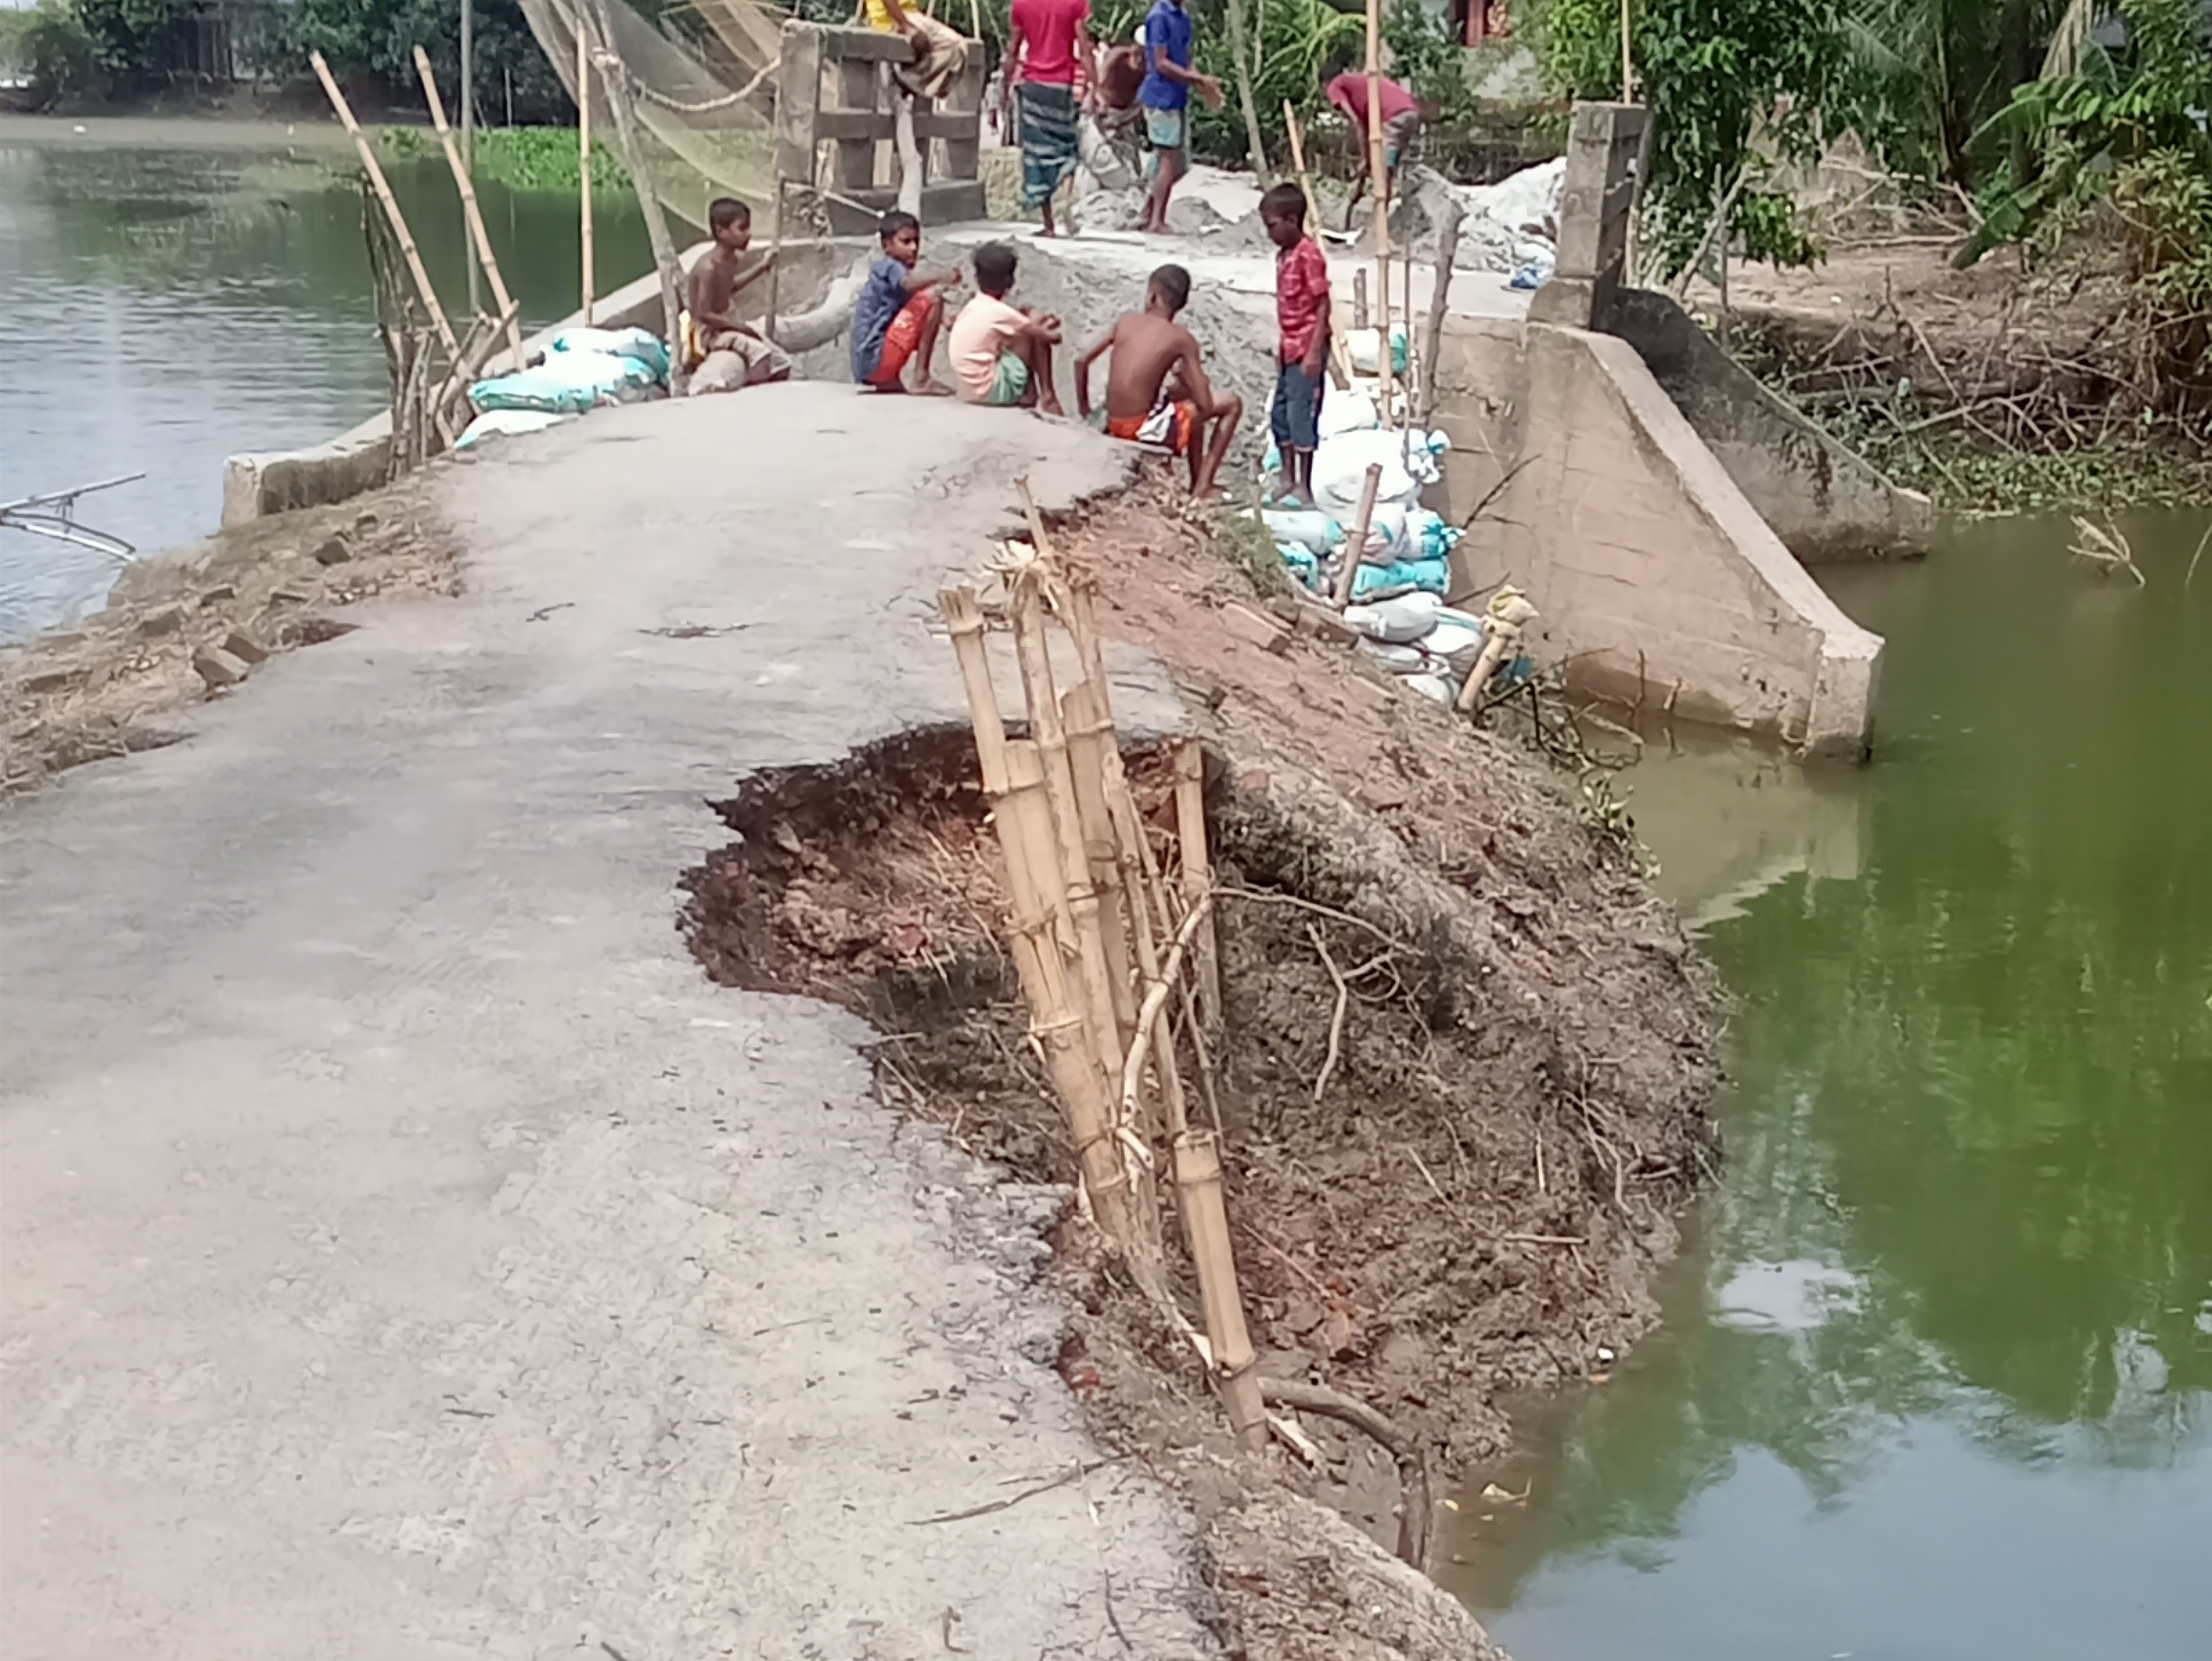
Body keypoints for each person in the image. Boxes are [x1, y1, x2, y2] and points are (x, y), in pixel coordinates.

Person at [1073, 263, 1242, 497]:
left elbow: (1081, 360)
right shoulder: (1182, 338)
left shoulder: (1126, 320)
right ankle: (1203, 485)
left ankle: (1196, 483)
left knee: (1186, 405)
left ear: (1152, 296)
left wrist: (1084, 408)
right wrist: (1192, 382)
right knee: (1231, 402)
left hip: (1112, 423)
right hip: (1141, 429)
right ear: (1181, 304)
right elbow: (1205, 404)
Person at [1261, 182, 1329, 506]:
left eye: (1273, 225)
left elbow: (1321, 304)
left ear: (1291, 219)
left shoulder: (1308, 255)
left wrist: (1314, 351)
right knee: (1281, 415)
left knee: (1302, 415)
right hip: (1290, 347)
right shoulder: (1283, 257)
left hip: (1306, 348)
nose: (1269, 233)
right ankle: (1287, 477)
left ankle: (1305, 484)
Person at [1001, 0, 1094, 237]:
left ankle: (1049, 223)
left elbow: (1013, 49)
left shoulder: (1021, 4)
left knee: (1037, 154)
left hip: (1033, 84)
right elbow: (1084, 48)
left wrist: (1004, 87)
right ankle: (1068, 199)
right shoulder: (1076, 3)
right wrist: (1097, 86)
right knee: (1066, 147)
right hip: (1061, 84)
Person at [682, 198, 793, 396]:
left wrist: (762, 267)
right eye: (742, 228)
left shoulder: (731, 258)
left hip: (725, 326)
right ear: (721, 231)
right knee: (761, 356)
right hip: (708, 334)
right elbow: (703, 313)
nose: (748, 234)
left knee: (782, 361)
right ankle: (753, 396)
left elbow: (729, 287)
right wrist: (738, 326)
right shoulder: (708, 268)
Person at [849, 210, 962, 395]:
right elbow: (909, 286)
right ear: (887, 245)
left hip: (867, 366)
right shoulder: (890, 267)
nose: (913, 248)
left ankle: (890, 379)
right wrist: (942, 276)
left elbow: (914, 301)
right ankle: (921, 377)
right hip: (875, 359)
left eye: (916, 241)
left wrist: (946, 320)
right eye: (906, 241)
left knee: (924, 300)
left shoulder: (890, 275)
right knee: (934, 298)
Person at [1136, 0, 1223, 234]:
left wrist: (1202, 82)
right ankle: (1156, 220)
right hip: (1161, 96)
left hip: (1177, 95)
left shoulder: (1182, 16)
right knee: (1168, 158)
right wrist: (1197, 80)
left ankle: (1148, 212)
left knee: (1179, 163)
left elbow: (1184, 56)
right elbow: (1161, 63)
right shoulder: (1159, 16)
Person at [947, 242, 1065, 412]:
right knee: (1031, 319)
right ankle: (1045, 394)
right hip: (990, 391)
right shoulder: (1001, 312)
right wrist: (1045, 324)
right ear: (1010, 280)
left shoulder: (973, 306)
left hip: (968, 391)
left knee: (1021, 326)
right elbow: (1053, 338)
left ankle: (1035, 392)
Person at [1326, 70, 1423, 227]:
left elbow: (1356, 123)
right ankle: (1381, 220)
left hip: (1394, 116)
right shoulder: (1363, 85)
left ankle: (1380, 225)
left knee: (1384, 170)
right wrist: (1365, 170)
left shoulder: (1336, 85)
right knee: (1387, 167)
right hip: (1410, 113)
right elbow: (1368, 135)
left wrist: (1364, 159)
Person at [863, 0, 969, 99]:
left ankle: (933, 84)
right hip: (894, 18)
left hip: (907, 14)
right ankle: (910, 80)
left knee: (958, 47)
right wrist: (905, 25)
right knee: (954, 43)